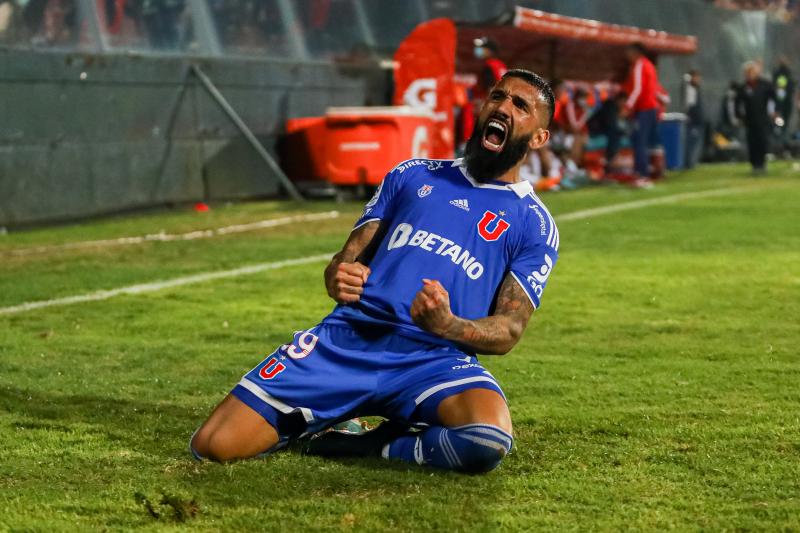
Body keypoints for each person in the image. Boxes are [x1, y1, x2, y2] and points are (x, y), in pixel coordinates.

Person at [190, 69, 559, 474]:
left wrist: (449, 326)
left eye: (519, 106)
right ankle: (326, 414)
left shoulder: (535, 225)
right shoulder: (412, 174)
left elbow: (508, 330)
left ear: (538, 138)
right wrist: (338, 276)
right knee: (213, 445)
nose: (503, 107)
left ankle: (367, 445)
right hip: (347, 340)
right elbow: (343, 263)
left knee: (486, 438)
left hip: (433, 358)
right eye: (498, 97)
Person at [621, 42, 661, 187]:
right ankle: (649, 173)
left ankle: (642, 175)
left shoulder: (639, 65)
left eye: (628, 52)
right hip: (651, 108)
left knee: (640, 142)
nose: (627, 56)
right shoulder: (649, 65)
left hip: (644, 109)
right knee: (646, 142)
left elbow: (637, 89)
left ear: (635, 52)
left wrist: (627, 106)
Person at [737, 61, 777, 174]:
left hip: (763, 118)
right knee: (751, 142)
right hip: (749, 120)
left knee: (762, 141)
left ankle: (762, 164)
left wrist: (774, 112)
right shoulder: (743, 87)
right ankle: (754, 165)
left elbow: (774, 99)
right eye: (748, 72)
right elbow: (738, 103)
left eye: (752, 71)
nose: (750, 74)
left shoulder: (765, 85)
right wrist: (739, 116)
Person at [772, 56, 795, 155]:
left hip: (784, 105)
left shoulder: (785, 73)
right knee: (781, 125)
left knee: (782, 126)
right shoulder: (782, 74)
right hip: (783, 105)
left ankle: (783, 146)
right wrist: (779, 106)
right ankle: (782, 147)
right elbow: (781, 90)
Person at [682, 69, 705, 169]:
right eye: (696, 77)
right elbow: (689, 106)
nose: (698, 79)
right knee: (691, 142)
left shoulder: (695, 88)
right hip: (693, 120)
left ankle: (690, 162)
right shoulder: (690, 89)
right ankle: (688, 163)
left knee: (694, 142)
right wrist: (690, 117)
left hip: (697, 119)